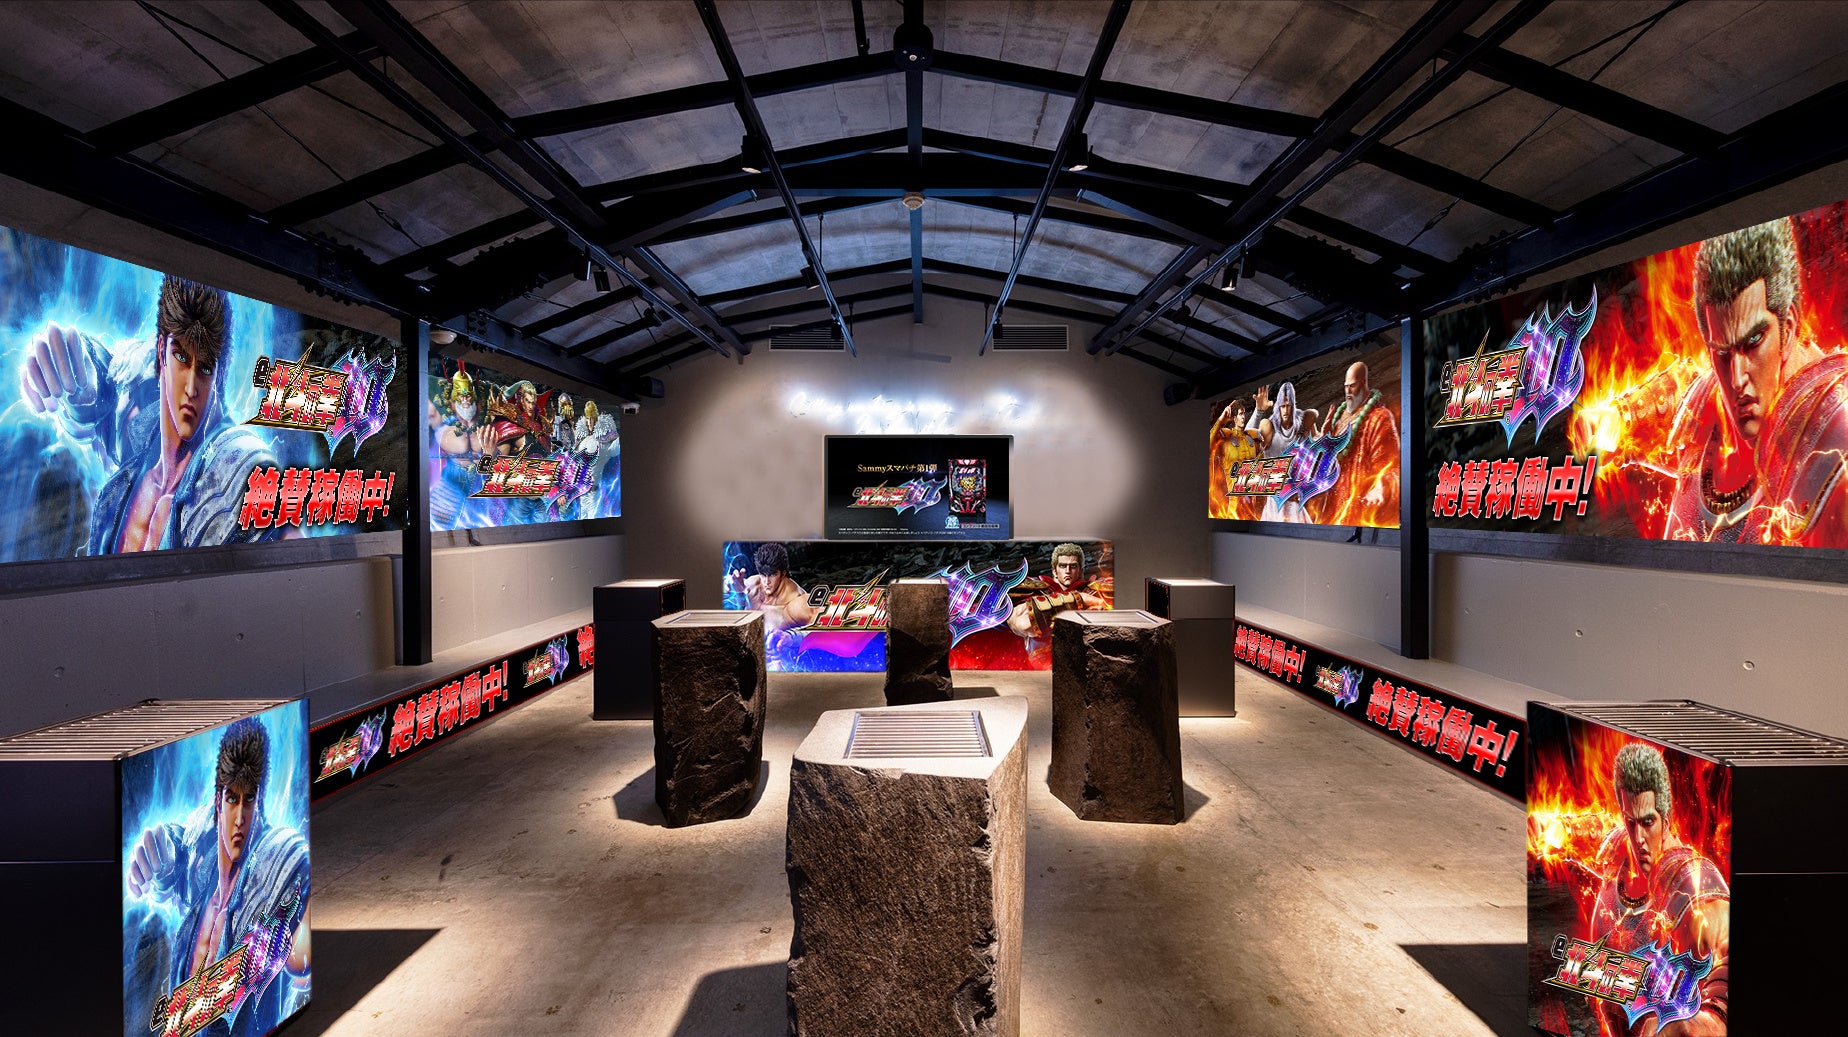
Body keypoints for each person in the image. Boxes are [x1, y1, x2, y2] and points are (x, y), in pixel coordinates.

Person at [20, 275, 282, 553]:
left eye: (205, 369)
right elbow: (103, 385)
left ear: (217, 379)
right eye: (181, 357)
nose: (190, 388)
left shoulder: (239, 465)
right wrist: (76, 382)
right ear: (161, 352)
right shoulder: (139, 424)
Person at [1663, 217, 1847, 545]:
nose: (1737, 379)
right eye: (1722, 353)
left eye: (1753, 341)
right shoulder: (1703, 407)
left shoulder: (1836, 436)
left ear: (1788, 327)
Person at [127, 718, 310, 1035]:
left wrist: (299, 925)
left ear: (260, 803)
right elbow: (176, 851)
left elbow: (300, 955)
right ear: (217, 802)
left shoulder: (279, 858)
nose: (239, 819)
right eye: (232, 798)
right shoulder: (200, 856)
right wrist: (157, 857)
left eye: (249, 799)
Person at [1585, 743, 1728, 1037]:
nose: (1639, 838)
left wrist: (1704, 1023)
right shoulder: (1618, 851)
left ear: (1666, 819)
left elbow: (1726, 947)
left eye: (1648, 822)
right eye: (1630, 822)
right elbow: (1592, 827)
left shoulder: (1691, 881)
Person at [1309, 360, 1399, 525]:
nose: (1348, 391)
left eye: (1352, 386)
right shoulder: (1340, 417)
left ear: (1363, 383)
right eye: (1346, 387)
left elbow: (1391, 466)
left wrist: (1381, 486)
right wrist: (1325, 436)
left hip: (1356, 503)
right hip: (1330, 502)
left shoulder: (1379, 418)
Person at [1006, 542, 1111, 664]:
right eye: (1062, 566)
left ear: (1081, 570)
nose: (1067, 571)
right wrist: (1078, 599)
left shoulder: (1097, 591)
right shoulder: (1036, 591)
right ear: (1054, 571)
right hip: (1044, 666)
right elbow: (1021, 624)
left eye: (1073, 566)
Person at [1247, 381, 1320, 522]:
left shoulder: (1303, 424)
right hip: (1275, 501)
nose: (1286, 410)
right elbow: (1248, 441)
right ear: (1278, 407)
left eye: (1288, 406)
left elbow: (1317, 448)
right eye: (1282, 406)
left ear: (1293, 405)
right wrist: (1258, 412)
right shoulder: (1269, 426)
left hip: (1295, 499)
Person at [727, 542, 817, 634]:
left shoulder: (798, 603)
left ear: (783, 574)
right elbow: (730, 596)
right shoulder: (754, 585)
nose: (766, 582)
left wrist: (792, 637)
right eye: (763, 574)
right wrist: (733, 589)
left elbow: (820, 628)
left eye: (772, 575)